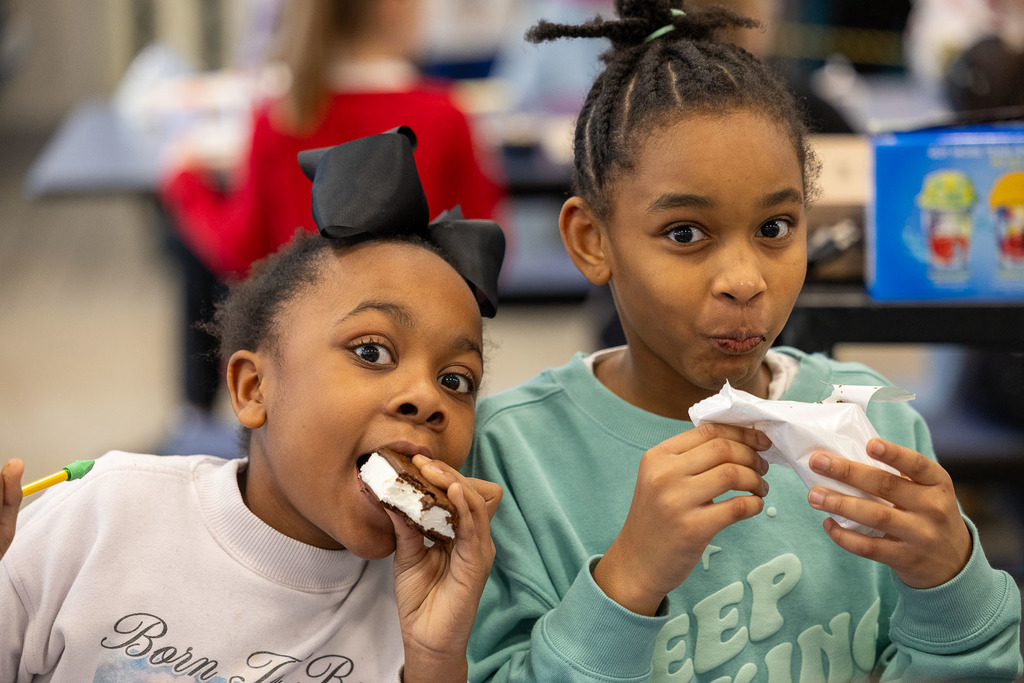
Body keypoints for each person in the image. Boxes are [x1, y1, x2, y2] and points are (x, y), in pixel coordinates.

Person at [463, 3, 1024, 681]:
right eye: (685, 233)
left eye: (776, 227)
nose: (744, 280)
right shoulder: (510, 457)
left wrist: (951, 582)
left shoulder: (879, 429)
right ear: (592, 240)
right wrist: (626, 581)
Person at [0, 128, 506, 682]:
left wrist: (435, 659)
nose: (427, 399)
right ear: (252, 390)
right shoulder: (101, 515)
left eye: (457, 381)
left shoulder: (435, 607)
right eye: (372, 351)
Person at [157, 0, 506, 455]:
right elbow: (486, 252)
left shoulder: (281, 117)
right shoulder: (445, 115)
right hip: (422, 376)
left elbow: (241, 251)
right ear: (392, 8)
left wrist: (185, 182)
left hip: (301, 382)